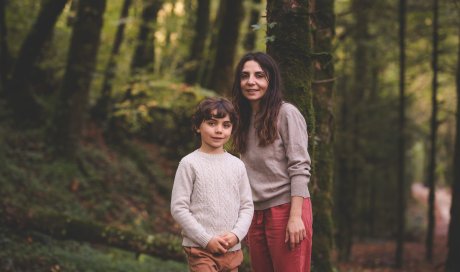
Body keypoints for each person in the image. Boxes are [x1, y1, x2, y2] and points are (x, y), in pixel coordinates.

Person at [231, 52, 313, 272]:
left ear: (271, 80)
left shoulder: (287, 113)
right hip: (255, 214)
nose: (251, 81)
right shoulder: (240, 119)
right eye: (245, 76)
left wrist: (295, 218)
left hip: (287, 209)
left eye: (259, 75)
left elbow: (300, 168)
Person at [170, 97, 254, 272]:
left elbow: (247, 206)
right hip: (201, 250)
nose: (219, 130)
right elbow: (179, 208)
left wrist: (236, 235)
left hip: (232, 250)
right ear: (197, 126)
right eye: (211, 123)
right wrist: (206, 239)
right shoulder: (189, 163)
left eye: (226, 125)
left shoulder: (237, 165)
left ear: (232, 129)